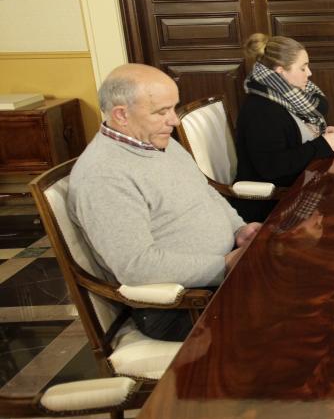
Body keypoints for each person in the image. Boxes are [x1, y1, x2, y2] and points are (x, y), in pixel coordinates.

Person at [68, 64, 262, 341]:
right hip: (180, 305)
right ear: (121, 115)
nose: (174, 120)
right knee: (299, 313)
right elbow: (137, 266)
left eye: (174, 108)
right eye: (161, 112)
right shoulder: (103, 176)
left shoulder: (158, 142)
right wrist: (224, 265)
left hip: (219, 274)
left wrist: (238, 230)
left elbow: (205, 193)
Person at [235, 33, 334, 222]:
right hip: (275, 204)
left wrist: (322, 133)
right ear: (281, 71)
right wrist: (321, 144)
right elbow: (273, 167)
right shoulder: (262, 110)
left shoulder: (282, 97)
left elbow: (292, 135)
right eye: (303, 68)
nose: (309, 73)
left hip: (298, 184)